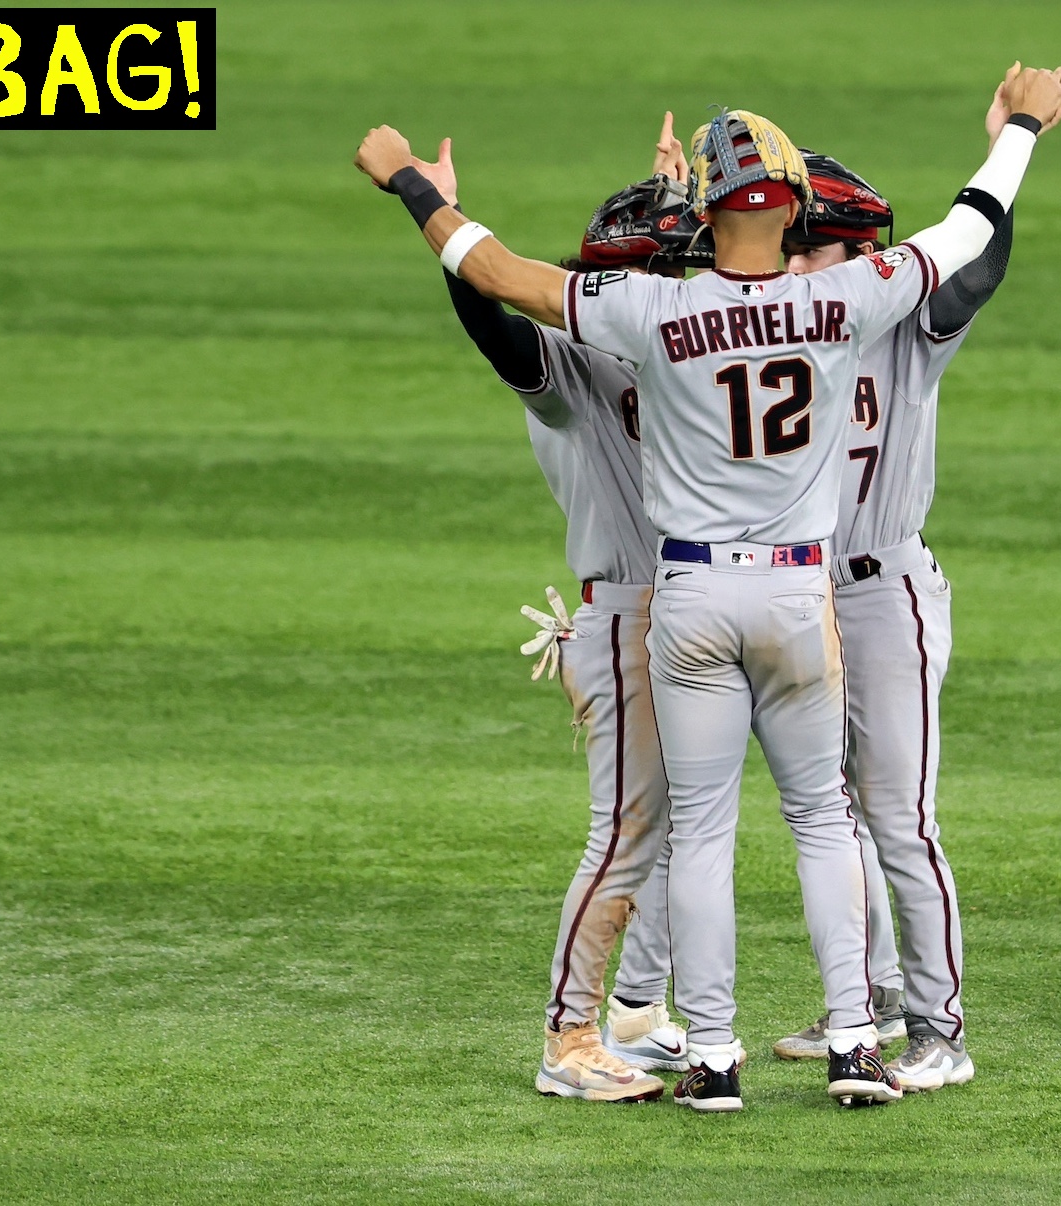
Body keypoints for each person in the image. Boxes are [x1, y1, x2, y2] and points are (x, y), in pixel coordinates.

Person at [353, 63, 1061, 1111]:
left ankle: (713, 1055)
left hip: (684, 601)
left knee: (695, 832)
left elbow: (504, 279)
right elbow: (966, 234)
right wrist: (1017, 131)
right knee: (824, 821)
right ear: (791, 210)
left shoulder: (645, 312)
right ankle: (853, 1040)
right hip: (798, 594)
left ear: (705, 215)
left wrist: (418, 193)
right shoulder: (842, 297)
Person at [386, 119, 703, 1103]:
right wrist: (427, 203)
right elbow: (491, 312)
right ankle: (567, 1041)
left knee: (678, 824)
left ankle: (638, 1017)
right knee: (624, 831)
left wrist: (676, 202)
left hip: (688, 612)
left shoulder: (670, 340)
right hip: (625, 620)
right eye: (660, 257)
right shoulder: (567, 364)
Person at [761, 85, 1024, 1090]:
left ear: (856, 249)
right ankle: (860, 1009)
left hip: (882, 595)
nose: (790, 263)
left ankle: (939, 1033)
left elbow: (979, 260)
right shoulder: (771, 324)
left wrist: (1007, 146)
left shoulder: (901, 323)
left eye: (808, 246)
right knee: (827, 810)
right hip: (794, 594)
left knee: (899, 817)